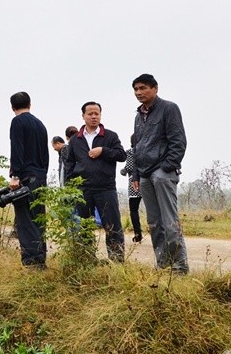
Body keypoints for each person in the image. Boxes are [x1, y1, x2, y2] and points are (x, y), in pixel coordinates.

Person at [132, 73, 189, 274]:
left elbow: (178, 141)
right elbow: (137, 146)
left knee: (169, 222)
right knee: (154, 223)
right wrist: (136, 175)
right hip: (145, 173)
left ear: (155, 88)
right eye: (136, 89)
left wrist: (166, 168)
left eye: (143, 88)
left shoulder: (169, 108)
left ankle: (179, 267)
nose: (139, 92)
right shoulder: (138, 116)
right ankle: (163, 265)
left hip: (162, 172)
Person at [68, 101, 127, 262]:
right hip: (82, 190)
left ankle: (117, 262)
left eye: (97, 113)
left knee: (112, 226)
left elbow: (122, 155)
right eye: (90, 114)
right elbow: (69, 164)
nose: (94, 117)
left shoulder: (110, 136)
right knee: (85, 227)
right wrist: (69, 188)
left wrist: (103, 150)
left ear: (100, 115)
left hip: (105, 188)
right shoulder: (75, 140)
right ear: (83, 116)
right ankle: (87, 260)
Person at [8, 92, 49, 268]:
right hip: (40, 176)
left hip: (26, 176)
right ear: (30, 104)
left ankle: (31, 262)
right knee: (39, 218)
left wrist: (15, 176)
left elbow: (17, 149)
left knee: (25, 220)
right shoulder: (40, 124)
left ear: (12, 107)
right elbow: (45, 155)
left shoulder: (17, 122)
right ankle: (40, 259)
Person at [120, 134, 144, 243]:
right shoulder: (146, 150)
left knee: (134, 210)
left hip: (134, 183)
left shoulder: (130, 152)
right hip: (147, 180)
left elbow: (130, 166)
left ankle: (138, 234)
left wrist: (123, 171)